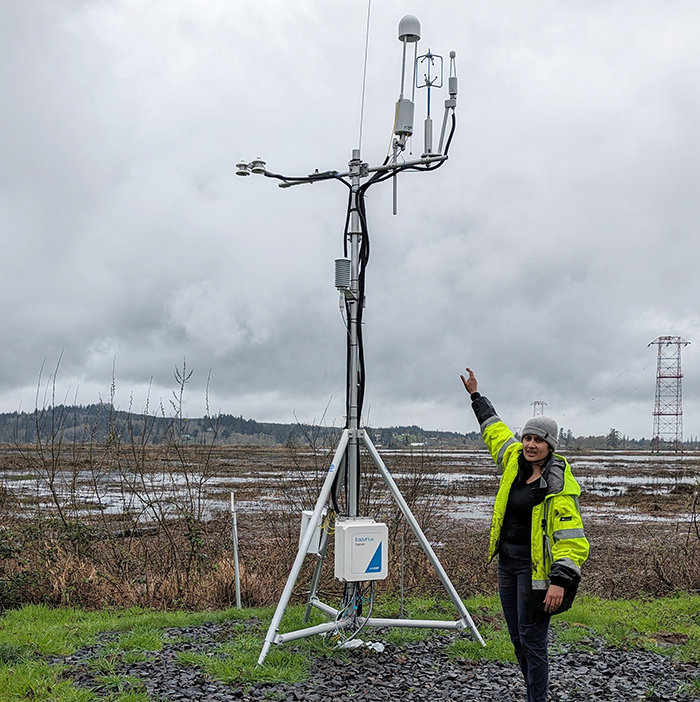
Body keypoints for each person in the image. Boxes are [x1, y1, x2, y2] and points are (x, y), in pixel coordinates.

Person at [460, 367, 589, 702]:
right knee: (518, 639)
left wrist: (560, 580)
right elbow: (494, 431)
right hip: (507, 564)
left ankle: (537, 699)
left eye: (538, 440)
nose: (531, 445)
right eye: (528, 438)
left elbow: (571, 538)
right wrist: (476, 396)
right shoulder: (513, 460)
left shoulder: (558, 487)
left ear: (550, 446)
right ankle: (535, 693)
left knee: (533, 640)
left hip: (538, 573)